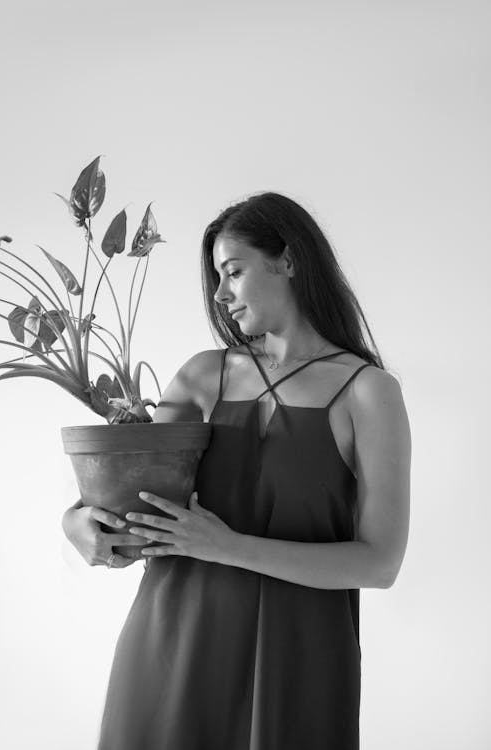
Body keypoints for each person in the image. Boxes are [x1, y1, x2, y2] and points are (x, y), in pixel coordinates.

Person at [62, 191, 411, 750]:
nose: (221, 296)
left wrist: (224, 545)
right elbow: (131, 488)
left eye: (233, 272)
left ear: (290, 261)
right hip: (174, 643)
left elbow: (381, 562)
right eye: (217, 280)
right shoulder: (203, 377)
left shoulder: (368, 393)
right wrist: (78, 523)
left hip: (300, 663)